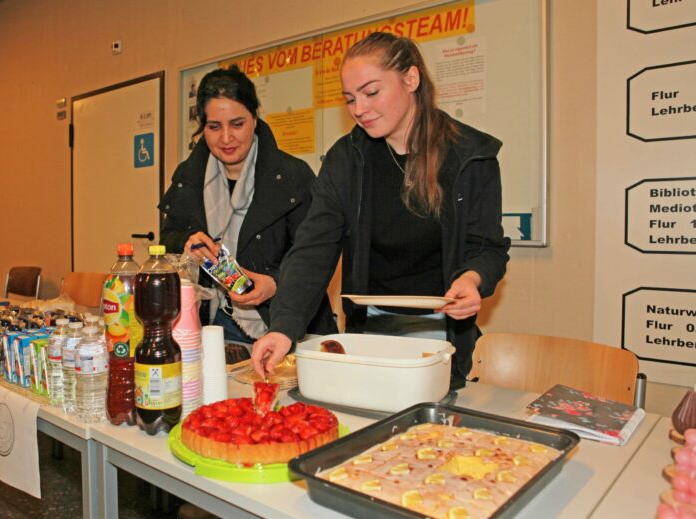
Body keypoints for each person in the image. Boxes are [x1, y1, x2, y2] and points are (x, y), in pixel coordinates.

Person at [252, 32, 510, 387]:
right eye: (350, 99)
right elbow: (313, 249)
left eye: (371, 92)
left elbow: (487, 248)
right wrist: (284, 327)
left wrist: (471, 279)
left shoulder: (470, 155)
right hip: (368, 330)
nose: (359, 109)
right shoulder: (347, 159)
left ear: (411, 79)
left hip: (442, 332)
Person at [159, 65, 337, 349]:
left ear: (255, 118)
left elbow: (315, 254)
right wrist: (186, 243)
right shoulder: (188, 176)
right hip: (210, 323)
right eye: (214, 127)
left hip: (280, 324)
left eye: (237, 124)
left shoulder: (292, 176)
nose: (226, 138)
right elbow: (167, 239)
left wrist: (275, 283)